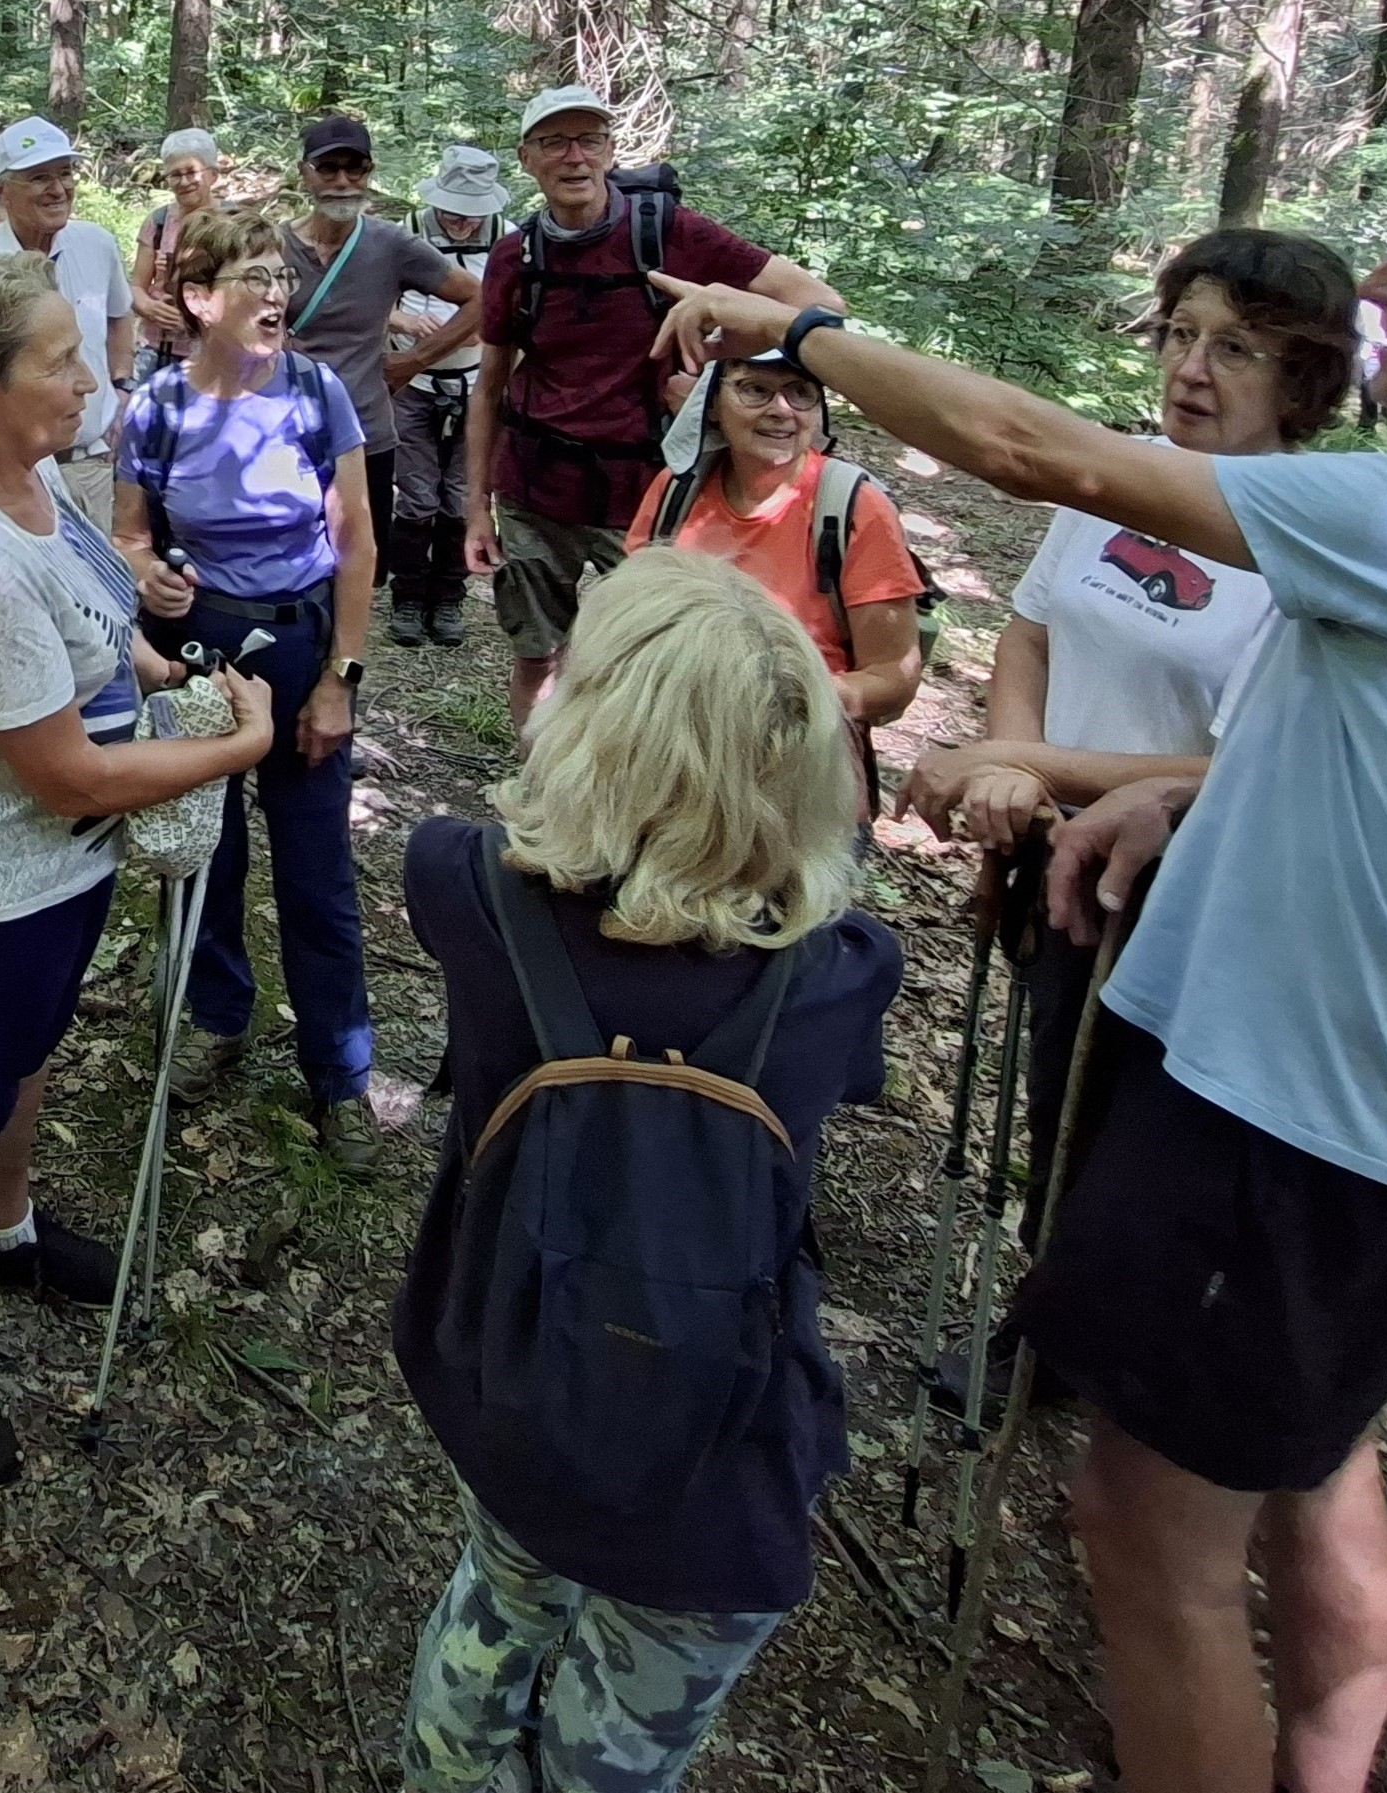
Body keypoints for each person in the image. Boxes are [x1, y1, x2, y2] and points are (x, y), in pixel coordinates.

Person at [649, 129, 1387, 1793]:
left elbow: (1022, 445)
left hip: (1294, 1132)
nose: (1376, 294)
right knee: (1312, 1462)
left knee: (1150, 1539)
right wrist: (1184, 806)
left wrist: (794, 323)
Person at [393, 548, 904, 1790]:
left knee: (497, 1603)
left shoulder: (459, 886)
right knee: (620, 1747)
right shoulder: (841, 972)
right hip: (717, 1451)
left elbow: (517, 834)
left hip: (513, 1361)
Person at [893, 228, 1359, 1408]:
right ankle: (1063, 1317)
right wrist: (1022, 777)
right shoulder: (1123, 473)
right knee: (1059, 1094)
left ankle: (1076, 1345)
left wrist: (1018, 757)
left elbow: (1240, 760)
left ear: (1304, 379)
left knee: (1131, 1121)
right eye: (1185, 335)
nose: (1193, 369)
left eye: (1238, 348)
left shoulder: (1311, 535)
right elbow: (1035, 627)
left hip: (1190, 879)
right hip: (1056, 845)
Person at [0, 253, 273, 1488]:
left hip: (57, 866)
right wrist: (236, 744)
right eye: (61, 359)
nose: (92, 375)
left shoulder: (24, 472)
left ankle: (5, 1230)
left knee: (29, 1049)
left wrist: (158, 672)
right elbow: (69, 777)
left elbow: (93, 624)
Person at [111, 209, 381, 1170]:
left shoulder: (317, 395)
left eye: (280, 276)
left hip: (303, 650)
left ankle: (341, 1072)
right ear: (197, 299)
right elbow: (128, 532)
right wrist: (145, 572)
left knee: (316, 871)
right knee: (205, 857)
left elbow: (354, 542)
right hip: (197, 656)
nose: (275, 293)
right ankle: (219, 1017)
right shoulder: (156, 408)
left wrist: (340, 681)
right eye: (254, 278)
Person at [465, 84, 844, 735]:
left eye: (588, 139)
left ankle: (625, 788)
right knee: (535, 653)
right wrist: (475, 506)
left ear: (611, 150)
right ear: (526, 158)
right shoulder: (515, 256)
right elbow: (490, 383)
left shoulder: (671, 234)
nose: (573, 156)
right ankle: (538, 793)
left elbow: (819, 303)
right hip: (533, 487)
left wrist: (721, 339)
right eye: (554, 142)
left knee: (644, 657)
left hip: (646, 494)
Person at [625, 348, 925, 807]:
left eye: (800, 393)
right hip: (673, 760)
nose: (781, 410)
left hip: (798, 780)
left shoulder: (852, 507)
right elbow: (631, 621)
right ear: (713, 402)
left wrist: (779, 701)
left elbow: (893, 677)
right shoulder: (678, 489)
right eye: (755, 389)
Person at [281, 116, 481, 590]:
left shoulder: (391, 245)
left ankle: (344, 658)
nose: (343, 181)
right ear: (305, 172)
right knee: (288, 560)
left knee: (357, 566)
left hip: (364, 435)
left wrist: (413, 361)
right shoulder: (274, 245)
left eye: (356, 168)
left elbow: (481, 298)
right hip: (286, 432)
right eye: (328, 168)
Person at [0, 117, 135, 531]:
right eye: (39, 178)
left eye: (66, 173)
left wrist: (122, 386)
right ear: (1, 192)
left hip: (92, 467)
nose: (59, 189)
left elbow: (120, 317)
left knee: (102, 589)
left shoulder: (97, 244)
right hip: (11, 475)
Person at [385, 145, 512, 648]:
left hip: (476, 388)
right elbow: (370, 300)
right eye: (453, 210)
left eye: (471, 214)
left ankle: (449, 599)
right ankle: (409, 599)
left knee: (462, 497)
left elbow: (514, 314)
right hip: (410, 384)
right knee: (416, 498)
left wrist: (486, 336)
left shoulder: (508, 240)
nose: (461, 222)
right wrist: (402, 321)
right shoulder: (406, 233)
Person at [130, 129, 222, 383]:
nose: (183, 182)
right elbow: (137, 286)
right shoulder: (158, 222)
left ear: (213, 174)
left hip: (207, 351)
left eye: (191, 172)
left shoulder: (232, 223)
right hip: (152, 349)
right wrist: (149, 307)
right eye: (175, 175)